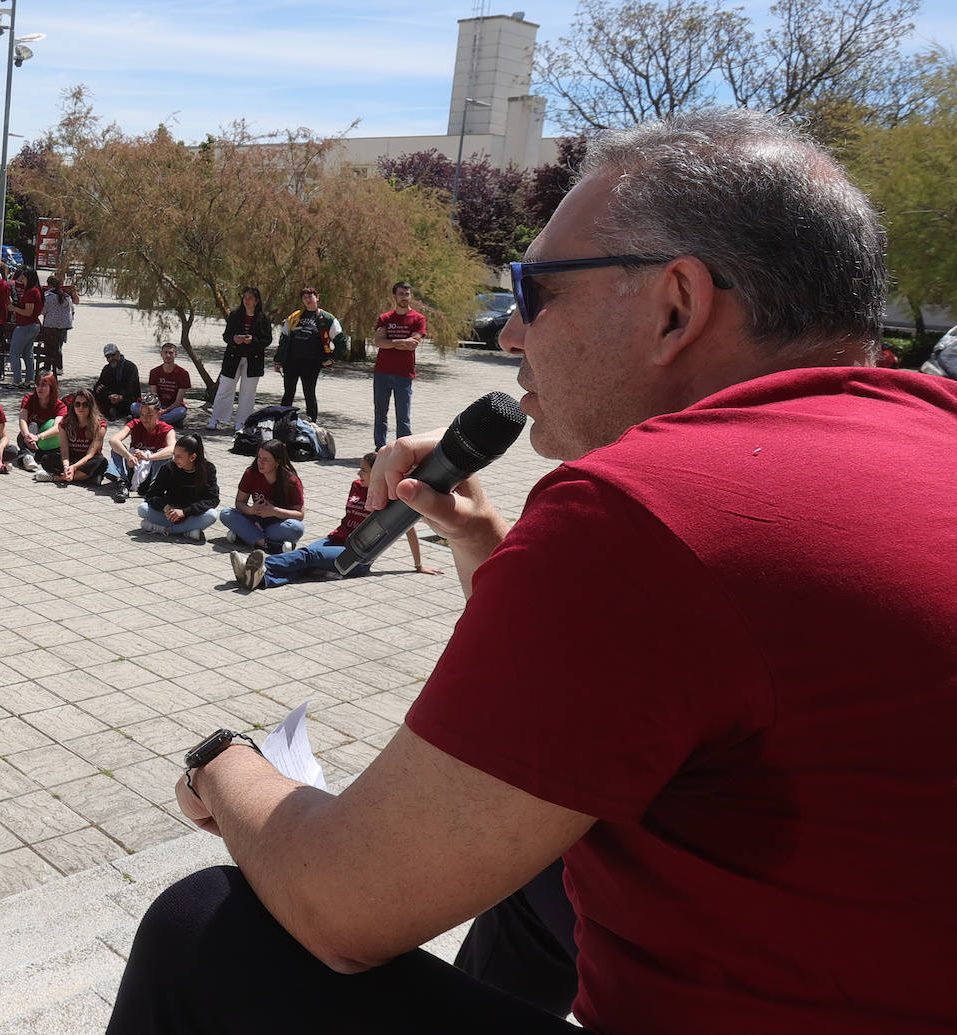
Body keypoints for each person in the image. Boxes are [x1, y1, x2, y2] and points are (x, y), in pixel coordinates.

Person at [107, 110, 957, 1035]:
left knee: (203, 931)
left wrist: (222, 765)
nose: (511, 333)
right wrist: (479, 540)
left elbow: (338, 908)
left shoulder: (650, 508)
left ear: (677, 304)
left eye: (535, 289)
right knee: (547, 854)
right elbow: (631, 694)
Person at [231, 452, 442, 589]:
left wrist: (418, 565)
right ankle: (262, 579)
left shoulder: (391, 498)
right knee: (306, 562)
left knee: (308, 554)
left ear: (377, 473)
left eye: (364, 470)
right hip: (336, 539)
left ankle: (262, 566)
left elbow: (409, 530)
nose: (359, 473)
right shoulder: (357, 486)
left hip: (357, 556)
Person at [218, 439, 305, 552]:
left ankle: (245, 536)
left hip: (278, 523)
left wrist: (274, 511)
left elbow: (300, 515)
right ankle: (266, 544)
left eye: (265, 460)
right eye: (259, 457)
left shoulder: (291, 481)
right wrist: (251, 510)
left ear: (277, 462)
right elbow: (239, 503)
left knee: (297, 528)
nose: (260, 462)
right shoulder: (251, 473)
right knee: (226, 513)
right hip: (255, 519)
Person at [273, 286, 344, 423]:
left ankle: (312, 423)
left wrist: (333, 359)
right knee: (288, 393)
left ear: (317, 297)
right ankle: (283, 422)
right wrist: (278, 360)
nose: (308, 300)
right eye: (304, 297)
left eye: (310, 296)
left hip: (312, 363)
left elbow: (341, 341)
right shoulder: (294, 317)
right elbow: (284, 339)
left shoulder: (327, 319)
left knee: (309, 393)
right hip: (291, 362)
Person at [136, 433, 220, 542]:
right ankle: (187, 531)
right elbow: (151, 495)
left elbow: (213, 499)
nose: (175, 459)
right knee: (142, 509)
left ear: (192, 457)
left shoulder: (208, 469)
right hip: (169, 514)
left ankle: (165, 530)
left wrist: (185, 512)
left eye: (179, 456)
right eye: (174, 455)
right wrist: (165, 507)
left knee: (212, 515)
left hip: (192, 515)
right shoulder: (168, 468)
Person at [209, 286, 271, 431]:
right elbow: (226, 336)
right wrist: (234, 339)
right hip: (233, 358)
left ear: (257, 301)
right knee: (225, 388)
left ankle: (242, 422)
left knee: (248, 392)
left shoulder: (263, 318)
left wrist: (253, 340)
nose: (247, 301)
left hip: (253, 360)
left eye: (250, 298)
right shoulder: (235, 315)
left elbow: (267, 340)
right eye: (245, 298)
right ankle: (215, 418)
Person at [372, 281, 425, 449]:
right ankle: (380, 449)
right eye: (401, 294)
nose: (404, 297)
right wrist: (401, 341)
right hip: (382, 372)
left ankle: (403, 451)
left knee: (403, 417)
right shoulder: (385, 318)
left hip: (404, 374)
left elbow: (413, 343)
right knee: (380, 413)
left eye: (407, 294)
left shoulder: (418, 318)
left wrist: (391, 342)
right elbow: (379, 342)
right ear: (395, 296)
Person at [106, 395, 176, 502]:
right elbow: (113, 440)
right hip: (133, 466)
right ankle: (122, 484)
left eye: (149, 415)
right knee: (116, 449)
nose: (144, 419)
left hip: (152, 469)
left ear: (158, 414)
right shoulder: (135, 424)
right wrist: (128, 456)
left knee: (164, 453)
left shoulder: (166, 429)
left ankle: (154, 487)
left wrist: (149, 457)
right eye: (142, 415)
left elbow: (173, 449)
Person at [33, 387, 106, 485]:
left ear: (91, 406)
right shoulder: (65, 423)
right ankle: (82, 477)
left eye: (85, 405)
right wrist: (66, 467)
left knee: (101, 462)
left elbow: (90, 454)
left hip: (88, 460)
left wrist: (74, 467)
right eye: (77, 404)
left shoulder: (100, 425)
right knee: (46, 459)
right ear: (73, 406)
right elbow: (64, 450)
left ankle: (57, 478)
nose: (81, 408)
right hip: (71, 458)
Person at [17, 369, 67, 474]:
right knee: (33, 425)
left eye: (44, 385)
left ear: (52, 388)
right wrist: (27, 436)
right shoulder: (29, 399)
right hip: (28, 439)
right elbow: (22, 418)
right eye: (38, 385)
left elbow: (57, 428)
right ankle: (28, 456)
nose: (40, 388)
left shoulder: (60, 406)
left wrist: (38, 437)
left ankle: (29, 455)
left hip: (47, 441)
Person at [137, 342, 189, 425]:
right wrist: (156, 409)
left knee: (181, 412)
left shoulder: (183, 373)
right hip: (157, 406)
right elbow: (154, 396)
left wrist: (165, 411)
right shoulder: (154, 372)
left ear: (176, 355)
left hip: (173, 408)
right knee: (134, 406)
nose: (168, 356)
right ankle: (161, 421)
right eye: (165, 352)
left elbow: (178, 401)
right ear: (161, 354)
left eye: (171, 353)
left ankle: (151, 420)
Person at [7, 267, 43, 389]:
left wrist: (14, 308)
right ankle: (29, 380)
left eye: (23, 276)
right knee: (28, 353)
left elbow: (28, 312)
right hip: (33, 325)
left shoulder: (31, 291)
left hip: (25, 325)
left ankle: (17, 381)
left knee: (14, 354)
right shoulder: (36, 290)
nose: (21, 278)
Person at [38, 273, 77, 374]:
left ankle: (48, 367)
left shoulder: (48, 296)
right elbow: (72, 309)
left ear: (49, 285)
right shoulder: (66, 296)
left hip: (50, 325)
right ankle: (59, 367)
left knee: (49, 346)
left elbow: (43, 311)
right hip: (64, 326)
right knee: (58, 346)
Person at [94, 343, 140, 421]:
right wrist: (109, 395)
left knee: (134, 406)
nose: (111, 358)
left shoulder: (130, 367)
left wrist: (121, 397)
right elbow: (98, 386)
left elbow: (131, 388)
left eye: (113, 355)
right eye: (108, 357)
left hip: (127, 400)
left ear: (118, 353)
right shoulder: (107, 369)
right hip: (111, 399)